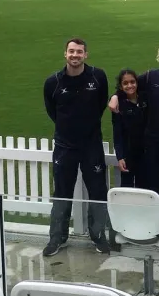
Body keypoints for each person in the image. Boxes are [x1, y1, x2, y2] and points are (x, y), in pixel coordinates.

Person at [42, 38, 110, 256]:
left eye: (79, 52)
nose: (75, 55)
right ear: (65, 54)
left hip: (91, 145)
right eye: (71, 51)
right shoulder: (53, 82)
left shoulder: (97, 77)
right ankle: (57, 238)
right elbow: (52, 111)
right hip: (65, 146)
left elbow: (101, 105)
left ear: (85, 55)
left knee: (97, 191)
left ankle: (98, 235)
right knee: (62, 191)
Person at [110, 43, 159, 200]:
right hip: (153, 140)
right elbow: (128, 85)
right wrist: (115, 96)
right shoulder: (150, 77)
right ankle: (156, 214)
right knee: (153, 183)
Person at [111, 69, 148, 188]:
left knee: (145, 187)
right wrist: (120, 157)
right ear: (121, 86)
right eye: (125, 83)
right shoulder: (119, 105)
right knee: (127, 186)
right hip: (128, 153)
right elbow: (117, 132)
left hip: (146, 152)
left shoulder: (145, 98)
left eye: (132, 82)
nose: (130, 85)